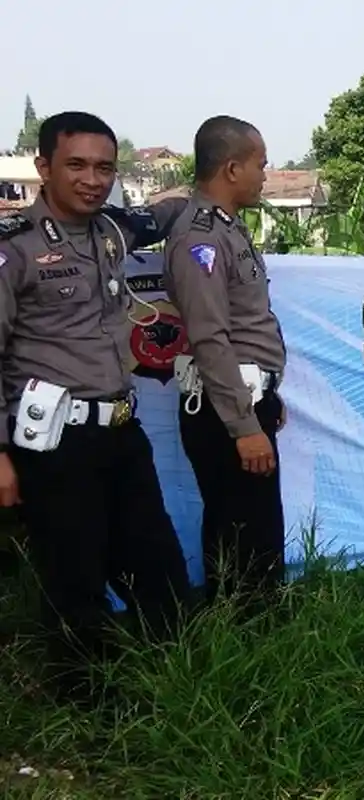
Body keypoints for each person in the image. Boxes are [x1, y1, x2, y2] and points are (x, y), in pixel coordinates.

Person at [0, 112, 191, 698]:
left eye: (104, 166)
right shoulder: (17, 252)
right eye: (75, 165)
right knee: (74, 574)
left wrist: (196, 189)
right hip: (58, 443)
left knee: (156, 563)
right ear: (43, 168)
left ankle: (174, 679)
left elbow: (166, 211)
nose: (92, 178)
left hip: (121, 431)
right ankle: (87, 702)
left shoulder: (111, 231)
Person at [163, 115, 287, 603]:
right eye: (260, 164)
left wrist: (265, 399)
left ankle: (260, 633)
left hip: (243, 399)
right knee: (241, 537)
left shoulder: (227, 229)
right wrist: (244, 426)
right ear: (232, 168)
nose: (264, 175)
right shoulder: (201, 239)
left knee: (256, 533)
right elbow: (210, 338)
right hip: (224, 413)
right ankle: (242, 637)